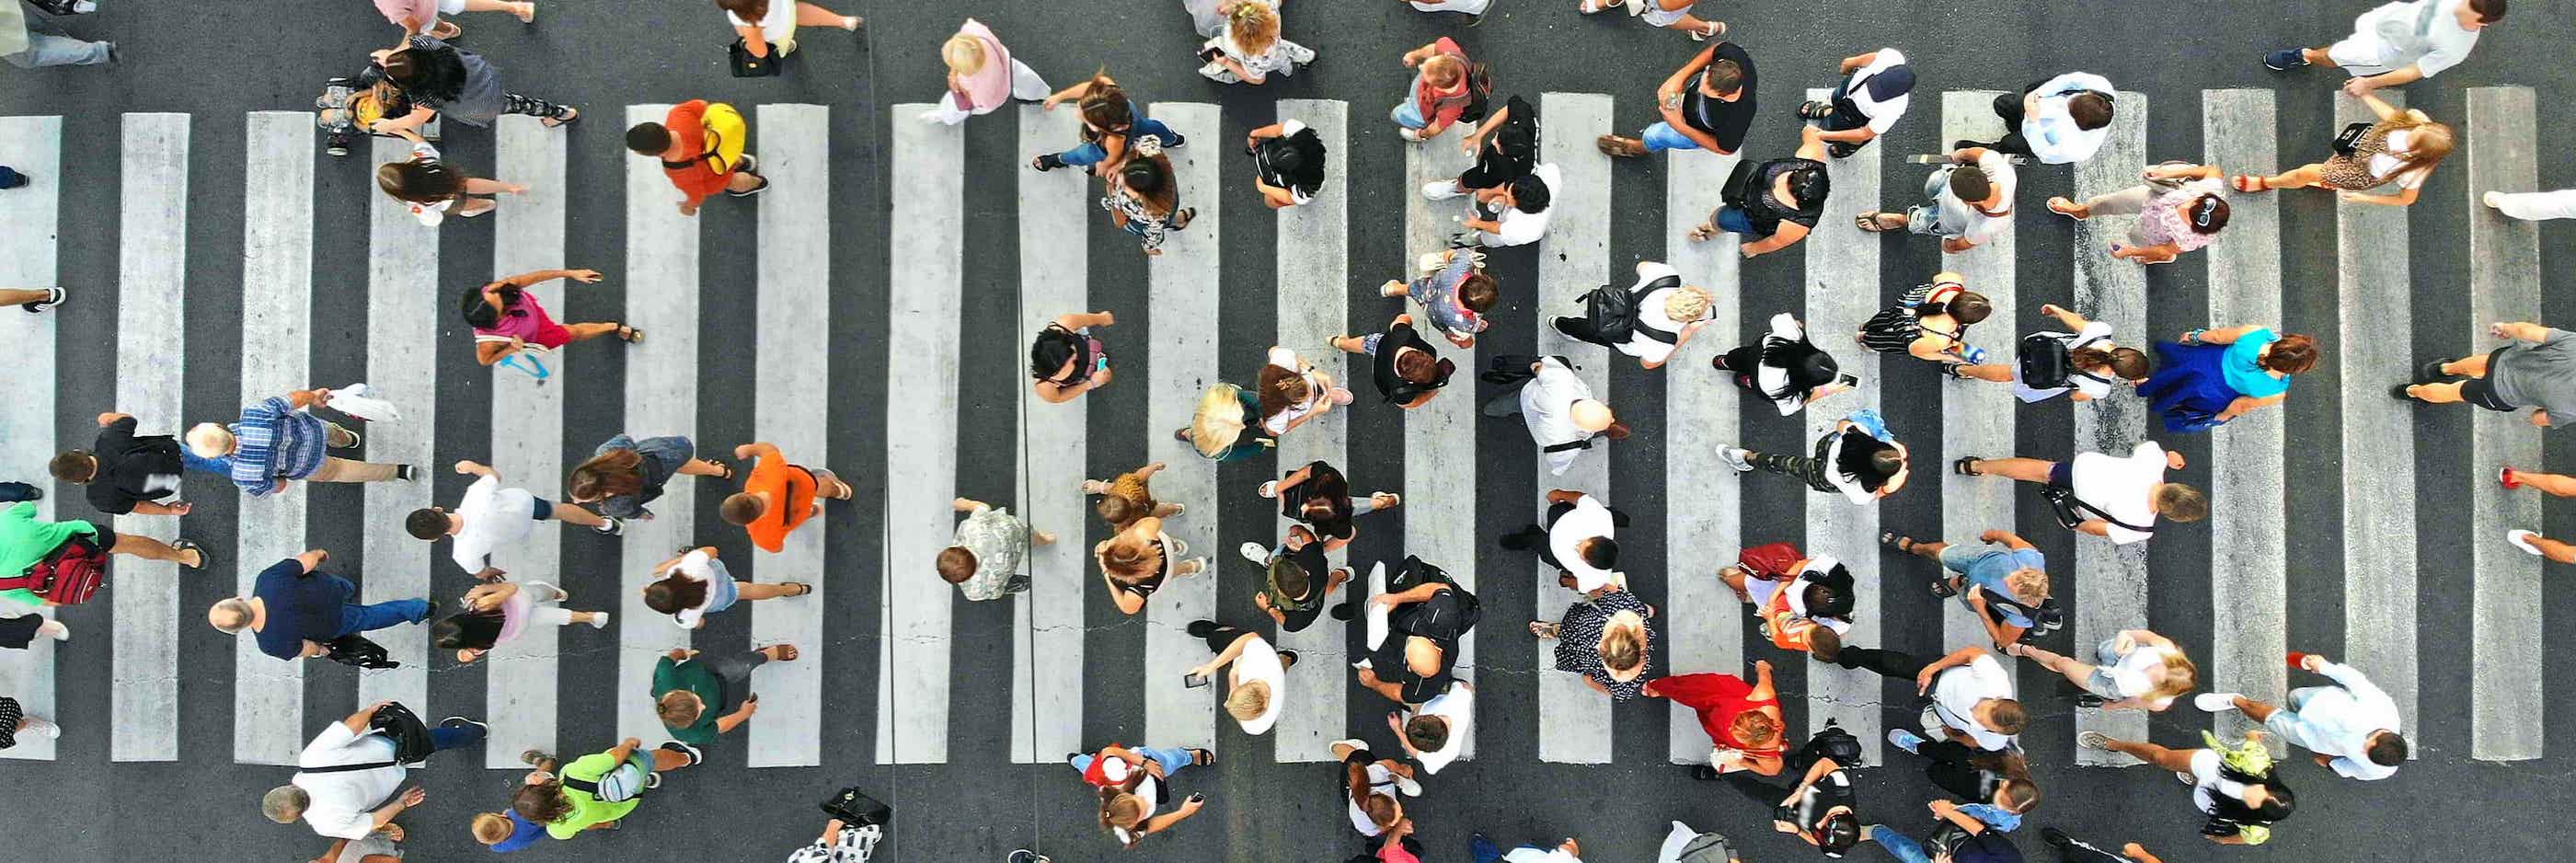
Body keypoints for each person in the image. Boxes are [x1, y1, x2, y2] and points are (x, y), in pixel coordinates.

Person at [261, 702, 484, 839]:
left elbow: (375, 821)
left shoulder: (326, 824)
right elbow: (349, 727)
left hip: (392, 776)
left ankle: (472, 733)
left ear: (297, 816)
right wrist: (371, 710)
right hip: (384, 745)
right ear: (286, 787)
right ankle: (476, 731)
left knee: (429, 745)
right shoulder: (311, 760)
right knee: (432, 739)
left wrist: (402, 802)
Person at [2196, 651, 2407, 780]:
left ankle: (2236, 701)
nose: (2361, 748)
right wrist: (2324, 666)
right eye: (2368, 743)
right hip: (2321, 702)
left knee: (2271, 719)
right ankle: (2254, 704)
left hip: (2309, 736)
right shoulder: (2382, 709)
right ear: (2384, 732)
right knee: (2294, 696)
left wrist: (2327, 761)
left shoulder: (2379, 769)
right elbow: (2356, 681)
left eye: (2365, 752)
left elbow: (2343, 767)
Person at [412, 460, 621, 581]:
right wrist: (472, 466)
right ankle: (607, 524)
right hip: (524, 505)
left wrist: (493, 572)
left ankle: (606, 524)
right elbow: (493, 475)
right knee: (559, 510)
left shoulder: (462, 554)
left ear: (435, 539)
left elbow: (481, 572)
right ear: (437, 509)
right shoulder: (474, 494)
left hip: (514, 531)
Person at [1955, 443, 2204, 545]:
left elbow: (2146, 448)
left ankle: (1976, 466)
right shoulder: (2140, 528)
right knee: (2046, 479)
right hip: (2084, 498)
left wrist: (2168, 459)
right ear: (2174, 515)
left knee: (2041, 470)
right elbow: (2094, 527)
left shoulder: (2153, 464)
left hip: (2085, 470)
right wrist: (2074, 524)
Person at [2229, 92, 2449, 206]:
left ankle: (2267, 183)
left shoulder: (2414, 171)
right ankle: (2327, 181)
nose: (2409, 132)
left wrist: (2366, 199)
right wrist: (2365, 95)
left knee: (2304, 173)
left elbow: (2406, 199)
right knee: (2326, 168)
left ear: (2419, 152)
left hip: (2358, 174)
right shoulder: (2418, 122)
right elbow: (2393, 118)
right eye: (2417, 129)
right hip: (2357, 148)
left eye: (2414, 137)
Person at [210, 549, 431, 663]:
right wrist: (318, 554)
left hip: (333, 623)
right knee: (343, 587)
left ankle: (417, 609)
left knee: (370, 616)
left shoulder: (270, 644)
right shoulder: (268, 579)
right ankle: (350, 588)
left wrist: (323, 651)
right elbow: (306, 562)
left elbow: (309, 648)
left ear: (238, 630)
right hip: (328, 589)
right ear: (238, 599)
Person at [2078, 729, 2293, 846]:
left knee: (2200, 785)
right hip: (2212, 767)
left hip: (2208, 799)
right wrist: (2253, 736)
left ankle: (2194, 779)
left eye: (2259, 798)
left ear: (2254, 811)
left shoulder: (2257, 828)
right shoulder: (2259, 768)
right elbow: (2253, 743)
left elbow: (2245, 838)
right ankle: (2114, 744)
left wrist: (2222, 839)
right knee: (2159, 757)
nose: (2258, 789)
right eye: (2265, 788)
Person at [190, 388, 414, 496]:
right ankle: (349, 440)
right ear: (219, 426)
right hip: (313, 432)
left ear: (214, 457)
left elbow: (279, 486)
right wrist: (314, 395)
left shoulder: (242, 476)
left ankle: (400, 471)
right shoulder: (254, 414)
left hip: (310, 466)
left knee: (346, 471)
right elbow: (292, 400)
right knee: (334, 433)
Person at [365, 21, 578, 129]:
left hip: (479, 104)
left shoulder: (421, 96)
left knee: (516, 105)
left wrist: (388, 125)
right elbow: (412, 41)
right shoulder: (426, 46)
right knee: (515, 102)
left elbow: (418, 118)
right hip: (479, 74)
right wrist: (392, 57)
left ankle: (562, 114)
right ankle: (559, 112)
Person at [0, 501, 203, 612]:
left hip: (75, 575)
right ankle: (186, 557)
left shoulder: (3, 585)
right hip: (86, 540)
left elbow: (51, 602)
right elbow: (29, 507)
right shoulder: (6, 520)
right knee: (130, 544)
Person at [2263, 0, 2501, 94]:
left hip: (2383, 50)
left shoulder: (2455, 49)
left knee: (2336, 54)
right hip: (2390, 17)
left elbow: (2414, 71)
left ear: (2483, 21)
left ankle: (2306, 55)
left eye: (2466, 7)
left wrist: (2370, 83)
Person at [1830, 644, 2026, 753]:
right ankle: (1847, 656)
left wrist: (1955, 735)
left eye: (1983, 723)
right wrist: (1933, 668)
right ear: (1998, 698)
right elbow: (1972, 653)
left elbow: (1975, 742)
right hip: (1939, 674)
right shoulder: (1994, 680)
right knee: (1891, 664)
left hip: (1939, 706)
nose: (1976, 714)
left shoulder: (1995, 740)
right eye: (1984, 709)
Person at [1711, 724, 1863, 857]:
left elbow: (1816, 840)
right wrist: (1799, 792)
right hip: (1811, 782)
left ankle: (1724, 774)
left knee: (1758, 792)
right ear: (1841, 814)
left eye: (1820, 831)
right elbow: (1824, 763)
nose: (1817, 826)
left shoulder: (1832, 840)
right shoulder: (1842, 790)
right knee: (1809, 754)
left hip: (1798, 806)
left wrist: (1796, 830)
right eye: (1823, 823)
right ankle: (1802, 757)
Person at [1884, 530, 2052, 650]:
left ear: (2020, 597)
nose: (2007, 577)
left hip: (1979, 595)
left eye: (2011, 584)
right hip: (1978, 560)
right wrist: (1993, 535)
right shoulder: (2030, 560)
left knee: (1963, 594)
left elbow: (2003, 641)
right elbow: (2011, 539)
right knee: (1940, 553)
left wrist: (1981, 609)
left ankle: (1957, 583)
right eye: (2014, 575)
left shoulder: (2021, 616)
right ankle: (1917, 548)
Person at [1950, 305, 2149, 403]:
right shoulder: (2100, 388)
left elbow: (2076, 322)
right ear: (2120, 375)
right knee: (2008, 375)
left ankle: (1961, 362)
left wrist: (2058, 311)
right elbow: (2075, 396)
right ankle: (1963, 370)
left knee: (2010, 370)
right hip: (2043, 374)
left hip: (2044, 349)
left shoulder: (2101, 332)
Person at [2138, 324, 2317, 432]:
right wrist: (2222, 416)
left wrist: (2194, 335)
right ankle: (2161, 400)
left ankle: (2149, 382)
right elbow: (2241, 405)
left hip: (2204, 361)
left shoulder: (2256, 333)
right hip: (2211, 393)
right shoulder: (2276, 391)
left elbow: (2218, 337)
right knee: (2185, 391)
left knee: (2179, 369)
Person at [515, 737, 703, 839]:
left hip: (623, 803)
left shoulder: (557, 830)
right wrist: (628, 744)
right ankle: (687, 757)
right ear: (544, 787)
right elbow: (613, 758)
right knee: (651, 759)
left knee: (634, 782)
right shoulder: (572, 773)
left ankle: (644, 782)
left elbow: (587, 826)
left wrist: (606, 824)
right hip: (626, 770)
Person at [1597, 39, 1754, 157]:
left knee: (1654, 134)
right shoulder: (1733, 58)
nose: (1699, 88)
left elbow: (1725, 149)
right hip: (1689, 110)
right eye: (1705, 75)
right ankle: (1672, 116)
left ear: (1724, 96)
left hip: (1694, 129)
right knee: (1670, 105)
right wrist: (1679, 78)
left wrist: (1680, 126)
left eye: (1705, 92)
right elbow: (1716, 50)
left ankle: (1637, 148)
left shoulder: (1737, 118)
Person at [2046, 163, 2230, 264]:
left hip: (2156, 231)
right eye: (2192, 202)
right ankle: (2081, 211)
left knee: (2135, 237)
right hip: (2152, 199)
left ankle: (2163, 259)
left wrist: (2130, 251)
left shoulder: (2189, 238)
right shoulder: (2210, 190)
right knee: (2109, 202)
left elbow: (2165, 247)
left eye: (2188, 212)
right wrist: (2166, 174)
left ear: (2194, 226)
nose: (2184, 205)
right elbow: (2212, 170)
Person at [2398, 320, 2576, 425]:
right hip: (2499, 395)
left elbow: (2525, 331)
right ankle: (2412, 391)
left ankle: (2445, 369)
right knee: (2455, 392)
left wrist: (2506, 327)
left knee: (2481, 363)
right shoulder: (2572, 410)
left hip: (2503, 361)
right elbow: (2537, 419)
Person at [1354, 558, 1478, 707]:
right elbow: (1440, 588)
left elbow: (1399, 693)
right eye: (1412, 640)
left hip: (1417, 616)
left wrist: (1374, 683)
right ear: (1436, 648)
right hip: (1450, 608)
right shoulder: (1441, 616)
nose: (1409, 638)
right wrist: (1397, 598)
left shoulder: (1424, 690)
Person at [52, 411, 225, 517]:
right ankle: (233, 463)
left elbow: (139, 506)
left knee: (177, 472)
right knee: (205, 459)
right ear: (77, 452)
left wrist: (168, 510)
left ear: (77, 481)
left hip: (168, 482)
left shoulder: (98, 499)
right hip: (170, 454)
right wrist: (106, 418)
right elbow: (129, 420)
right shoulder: (107, 440)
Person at [1551, 260, 1717, 370]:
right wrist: (1687, 333)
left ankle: (1560, 324)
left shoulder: (1667, 277)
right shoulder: (1665, 342)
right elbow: (1648, 364)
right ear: (1688, 318)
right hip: (1620, 336)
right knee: (1596, 333)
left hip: (1615, 303)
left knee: (1587, 325)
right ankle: (1564, 327)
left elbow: (1641, 266)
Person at [1696, 126, 1831, 258]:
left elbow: (1776, 242)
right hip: (1750, 183)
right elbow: (1810, 132)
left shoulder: (1799, 223)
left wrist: (1753, 248)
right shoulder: (1811, 159)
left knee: (1720, 218)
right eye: (1791, 176)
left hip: (1751, 217)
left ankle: (1711, 230)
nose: (1780, 183)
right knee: (1720, 216)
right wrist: (1814, 132)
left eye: (1789, 189)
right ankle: (1711, 228)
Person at [1716, 414, 1911, 505]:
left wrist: (1888, 443)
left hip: (1827, 448)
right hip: (1823, 476)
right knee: (1788, 466)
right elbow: (1876, 494)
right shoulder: (1860, 492)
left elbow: (1843, 424)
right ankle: (1745, 458)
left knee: (1869, 419)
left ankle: (1745, 457)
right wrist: (1888, 489)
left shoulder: (1857, 436)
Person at [462, 268, 637, 366]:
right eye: (501, 304)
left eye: (495, 292)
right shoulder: (488, 342)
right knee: (572, 332)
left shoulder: (495, 290)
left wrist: (571, 273)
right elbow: (485, 361)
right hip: (537, 335)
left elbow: (532, 277)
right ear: (497, 319)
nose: (502, 292)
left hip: (531, 312)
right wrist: (511, 349)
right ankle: (612, 327)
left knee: (570, 331)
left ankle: (613, 327)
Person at [1484, 355, 1623, 476]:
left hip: (1525, 398)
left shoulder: (1562, 382)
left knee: (1496, 408)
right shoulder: (1563, 438)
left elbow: (1538, 367)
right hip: (1541, 425)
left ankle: (1490, 410)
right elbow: (1555, 457)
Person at [1859, 146, 2015, 253]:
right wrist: (1960, 155)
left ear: (1967, 202)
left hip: (1947, 220)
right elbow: (1981, 154)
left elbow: (1962, 244)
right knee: (1934, 182)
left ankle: (1901, 220)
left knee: (1921, 221)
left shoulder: (1987, 226)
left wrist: (1949, 245)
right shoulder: (2001, 172)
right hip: (1946, 197)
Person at [627, 100, 768, 216]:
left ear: (652, 154)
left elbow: (697, 194)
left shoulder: (677, 172)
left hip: (717, 175)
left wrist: (688, 207)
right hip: (719, 146)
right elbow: (702, 105)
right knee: (728, 158)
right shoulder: (678, 115)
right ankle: (743, 162)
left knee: (735, 181)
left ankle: (757, 182)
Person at [1647, 662, 1787, 777]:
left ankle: (1661, 688)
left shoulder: (1765, 698)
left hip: (1726, 702)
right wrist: (1763, 668)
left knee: (1696, 689)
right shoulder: (1765, 752)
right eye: (1736, 724)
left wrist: (1762, 667)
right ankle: (1662, 688)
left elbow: (1773, 771)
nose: (1731, 728)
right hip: (1726, 701)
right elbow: (1764, 678)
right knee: (1697, 687)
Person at [1032, 72, 1184, 175]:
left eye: (1088, 120)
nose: (1078, 114)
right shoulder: (1107, 89)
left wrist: (1104, 166)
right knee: (1149, 126)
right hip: (1131, 113)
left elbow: (1114, 157)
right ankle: (1171, 139)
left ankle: (1059, 160)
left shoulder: (1113, 140)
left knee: (1081, 155)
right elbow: (1088, 88)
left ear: (1110, 128)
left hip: (1110, 143)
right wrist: (1060, 97)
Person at [1720, 545, 1856, 658]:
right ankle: (1746, 591)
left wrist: (1773, 602)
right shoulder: (1836, 626)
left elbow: (1802, 565)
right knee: (1752, 585)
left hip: (1780, 607)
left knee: (1743, 580)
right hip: (1780, 605)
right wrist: (1774, 597)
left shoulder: (1797, 601)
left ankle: (1732, 580)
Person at [2010, 629, 2195, 711]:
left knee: (2064, 664)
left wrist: (2112, 706)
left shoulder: (2159, 702)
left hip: (2111, 682)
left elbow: (2133, 701)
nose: (2149, 668)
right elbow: (2142, 635)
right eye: (2158, 664)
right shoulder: (2165, 648)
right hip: (2120, 654)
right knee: (2103, 651)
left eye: (2154, 676)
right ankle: (2103, 653)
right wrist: (2126, 638)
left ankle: (2026, 650)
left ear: (2160, 688)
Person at [654, 645, 799, 746]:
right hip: (718, 700)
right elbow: (721, 726)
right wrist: (743, 714)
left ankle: (765, 654)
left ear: (681, 691)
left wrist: (682, 653)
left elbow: (672, 657)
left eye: (698, 702)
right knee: (739, 669)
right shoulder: (690, 735)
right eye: (699, 712)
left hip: (706, 669)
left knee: (740, 667)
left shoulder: (666, 675)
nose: (704, 706)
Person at [434, 579, 606, 664]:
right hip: (521, 601)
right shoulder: (483, 606)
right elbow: (510, 588)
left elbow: (463, 657)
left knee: (553, 617)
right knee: (538, 591)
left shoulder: (478, 645)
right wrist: (484, 589)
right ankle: (558, 594)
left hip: (519, 625)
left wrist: (464, 652)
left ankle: (591, 617)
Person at [1071, 743, 1211, 848]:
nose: (1145, 801)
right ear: (1134, 824)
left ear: (1125, 795)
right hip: (1149, 777)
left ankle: (1189, 756)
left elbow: (1109, 751)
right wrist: (1182, 813)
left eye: (1138, 799)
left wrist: (1145, 763)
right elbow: (1149, 826)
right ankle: (1077, 760)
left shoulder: (1116, 773)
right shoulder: (1127, 832)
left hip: (1144, 763)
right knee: (1091, 770)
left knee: (1169, 763)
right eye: (1143, 811)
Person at [1956, 73, 2114, 165]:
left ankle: (1983, 153)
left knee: (2008, 144)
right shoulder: (2101, 86)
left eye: (2069, 107)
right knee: (2002, 104)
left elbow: (2044, 152)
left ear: (2078, 123)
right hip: (2035, 103)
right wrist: (2038, 94)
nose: (2067, 101)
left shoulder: (2078, 149)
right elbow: (2066, 81)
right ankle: (2015, 124)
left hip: (2036, 134)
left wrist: (2032, 121)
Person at [1533, 583, 1656, 701]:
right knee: (1571, 631)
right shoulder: (1628, 683)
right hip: (1582, 641)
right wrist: (1590, 681)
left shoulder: (1624, 608)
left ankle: (1558, 630)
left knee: (1569, 630)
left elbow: (1605, 588)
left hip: (1580, 629)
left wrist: (1589, 588)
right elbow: (1606, 688)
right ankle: (1559, 630)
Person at [724, 442, 854, 553]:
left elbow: (777, 548)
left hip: (796, 513)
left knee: (800, 511)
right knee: (821, 485)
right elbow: (769, 449)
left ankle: (811, 510)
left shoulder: (761, 535)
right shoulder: (764, 477)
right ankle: (842, 491)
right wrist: (748, 449)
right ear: (746, 494)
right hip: (805, 484)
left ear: (749, 522)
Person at [1717, 312, 1854, 416]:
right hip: (1762, 383)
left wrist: (1797, 326)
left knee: (1741, 356)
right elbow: (1787, 410)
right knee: (1754, 381)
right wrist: (1826, 391)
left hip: (1759, 353)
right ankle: (1746, 381)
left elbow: (1777, 319)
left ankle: (1724, 362)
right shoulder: (1792, 391)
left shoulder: (1794, 337)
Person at [567, 433, 730, 521]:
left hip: (657, 475)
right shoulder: (605, 452)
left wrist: (642, 514)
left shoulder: (612, 505)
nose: (576, 502)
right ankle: (718, 471)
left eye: (582, 500)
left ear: (599, 493)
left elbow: (632, 510)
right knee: (679, 461)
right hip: (658, 452)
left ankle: (716, 471)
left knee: (679, 466)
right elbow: (625, 440)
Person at [642, 547, 811, 628]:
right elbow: (712, 551)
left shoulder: (684, 617)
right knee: (698, 557)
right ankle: (791, 589)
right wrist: (677, 562)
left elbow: (700, 623)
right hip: (715, 574)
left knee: (748, 592)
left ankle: (790, 590)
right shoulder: (684, 568)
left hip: (721, 598)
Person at [375, 134, 527, 224]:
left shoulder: (415, 204)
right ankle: (510, 188)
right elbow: (420, 142)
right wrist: (400, 130)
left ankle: (487, 204)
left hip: (449, 202)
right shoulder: (421, 160)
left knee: (472, 206)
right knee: (473, 184)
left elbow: (433, 219)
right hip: (450, 181)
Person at [1500, 489, 1627, 595]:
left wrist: (1566, 582)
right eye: (1583, 543)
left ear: (1590, 564)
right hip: (1560, 517)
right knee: (1556, 510)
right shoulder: (1601, 517)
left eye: (1580, 552)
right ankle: (1615, 515)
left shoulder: (1596, 578)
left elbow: (1579, 585)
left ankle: (1527, 538)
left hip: (1553, 551)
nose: (1576, 546)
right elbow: (1581, 498)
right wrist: (1559, 494)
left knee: (1538, 545)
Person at [921, 18, 1044, 125]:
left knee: (955, 105)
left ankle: (945, 116)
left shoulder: (973, 84)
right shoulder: (976, 34)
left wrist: (958, 89)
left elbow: (983, 104)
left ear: (968, 71)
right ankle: (1040, 93)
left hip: (996, 93)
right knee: (1023, 77)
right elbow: (969, 29)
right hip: (1004, 62)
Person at [1185, 620, 1294, 736]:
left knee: (1214, 641)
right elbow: (1250, 638)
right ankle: (1285, 657)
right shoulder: (1265, 660)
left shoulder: (1255, 727)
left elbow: (1241, 716)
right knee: (1219, 639)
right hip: (1257, 658)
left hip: (1254, 666)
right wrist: (1211, 667)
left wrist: (1233, 678)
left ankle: (1287, 658)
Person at [1858, 276, 1992, 369]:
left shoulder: (1952, 285)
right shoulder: (1941, 339)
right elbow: (1916, 350)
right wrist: (1954, 357)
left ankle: (1867, 326)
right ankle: (1865, 339)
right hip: (1911, 331)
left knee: (1888, 317)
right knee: (1891, 342)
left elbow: (1938, 277)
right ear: (1966, 321)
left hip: (1908, 309)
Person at [1260, 461, 1397, 552]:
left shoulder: (1325, 481)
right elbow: (1306, 472)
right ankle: (1384, 501)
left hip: (1338, 511)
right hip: (1339, 509)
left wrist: (1280, 489)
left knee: (1351, 506)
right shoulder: (1328, 479)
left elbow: (1304, 473)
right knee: (1350, 505)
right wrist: (1280, 488)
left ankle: (1383, 502)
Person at [1424, 94, 1538, 201]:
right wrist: (1478, 135)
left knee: (1475, 178)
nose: (1493, 141)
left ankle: (1458, 187)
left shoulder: (1522, 170)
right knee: (1488, 157)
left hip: (1497, 172)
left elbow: (1512, 188)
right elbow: (1509, 109)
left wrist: (1491, 192)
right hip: (1498, 160)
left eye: (1498, 145)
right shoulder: (1524, 117)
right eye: (1498, 136)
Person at [1802, 49, 1914, 158]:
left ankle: (1850, 146)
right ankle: (1829, 112)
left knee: (1834, 128)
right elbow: (1854, 61)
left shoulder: (1894, 109)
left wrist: (1825, 135)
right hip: (1845, 92)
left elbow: (1864, 134)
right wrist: (1848, 64)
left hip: (1855, 116)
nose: (1870, 91)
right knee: (1835, 99)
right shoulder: (1891, 57)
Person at [1236, 525, 1348, 631]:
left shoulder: (1296, 622)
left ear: (1280, 592)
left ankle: (1267, 560)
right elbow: (1310, 541)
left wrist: (1268, 608)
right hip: (1320, 578)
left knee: (1277, 555)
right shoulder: (1313, 559)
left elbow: (1287, 623)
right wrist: (1300, 530)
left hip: (1318, 582)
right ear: (1305, 573)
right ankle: (1342, 574)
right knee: (1325, 588)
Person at [1380, 248, 1497, 349]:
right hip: (1436, 317)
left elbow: (1449, 255)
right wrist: (1466, 339)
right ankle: (1477, 325)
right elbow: (1462, 341)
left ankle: (1392, 289)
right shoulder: (1465, 323)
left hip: (1428, 290)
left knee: (1413, 289)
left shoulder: (1461, 266)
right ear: (1477, 310)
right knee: (1460, 332)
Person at [939, 496, 1052, 601]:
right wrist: (965, 504)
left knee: (997, 587)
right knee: (1028, 536)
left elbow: (994, 595)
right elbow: (983, 508)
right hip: (1013, 532)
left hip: (1009, 562)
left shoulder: (973, 591)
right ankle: (1044, 539)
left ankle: (1016, 583)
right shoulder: (972, 530)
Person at [1335, 313, 1455, 408]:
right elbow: (1407, 404)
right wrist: (1431, 393)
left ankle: (1338, 342)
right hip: (1379, 375)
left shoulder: (1405, 335)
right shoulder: (1401, 390)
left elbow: (1402, 319)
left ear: (1419, 353)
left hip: (1382, 345)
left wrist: (1406, 321)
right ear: (1409, 380)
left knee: (1364, 343)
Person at [1096, 515, 1206, 616]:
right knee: (1168, 560)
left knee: (1169, 573)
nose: (1154, 568)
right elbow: (1154, 521)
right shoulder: (1144, 533)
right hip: (1163, 545)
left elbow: (1128, 608)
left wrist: (1106, 573)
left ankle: (1189, 567)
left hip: (1162, 577)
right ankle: (1176, 547)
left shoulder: (1139, 590)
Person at [1862, 800, 2025, 863]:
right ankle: (1875, 832)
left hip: (1942, 858)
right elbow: (1978, 830)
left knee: (1906, 852)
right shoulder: (2011, 859)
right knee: (1906, 852)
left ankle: (1876, 832)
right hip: (1958, 844)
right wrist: (1948, 812)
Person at [1102, 144, 1195, 255]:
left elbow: (1153, 233)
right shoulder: (1154, 165)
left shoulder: (1151, 213)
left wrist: (1149, 247)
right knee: (1163, 219)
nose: (1120, 181)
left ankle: (1175, 220)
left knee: (1137, 227)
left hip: (1157, 213)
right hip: (1167, 202)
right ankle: (1176, 219)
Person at [1193, 0, 1314, 85]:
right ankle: (1308, 57)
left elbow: (1258, 79)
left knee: (1277, 61)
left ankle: (1286, 67)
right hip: (1276, 42)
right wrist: (1238, 7)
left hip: (1268, 59)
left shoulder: (1251, 57)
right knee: (1289, 50)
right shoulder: (1268, 7)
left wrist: (1226, 62)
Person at [1390, 38, 1479, 141]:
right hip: (1423, 95)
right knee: (1415, 88)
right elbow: (1433, 49)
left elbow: (1435, 128)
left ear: (1438, 87)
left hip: (1422, 112)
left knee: (1397, 114)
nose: (1422, 68)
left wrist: (1420, 135)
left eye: (1426, 75)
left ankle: (1414, 130)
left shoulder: (1451, 108)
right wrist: (1414, 56)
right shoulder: (1449, 52)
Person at [1331, 738, 1422, 839]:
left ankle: (1339, 748)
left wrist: (1403, 770)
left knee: (1357, 757)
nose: (1402, 813)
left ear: (1386, 796)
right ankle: (1338, 748)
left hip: (1354, 775)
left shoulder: (1376, 774)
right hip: (1355, 789)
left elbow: (1396, 766)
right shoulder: (1362, 821)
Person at [1254, 347, 1352, 439]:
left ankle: (1325, 395)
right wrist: (1311, 413)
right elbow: (1272, 432)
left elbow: (1273, 350)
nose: (1311, 394)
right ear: (1289, 404)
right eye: (1305, 398)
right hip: (1274, 414)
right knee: (1266, 420)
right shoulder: (1278, 416)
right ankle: (1260, 419)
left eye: (1307, 388)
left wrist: (1313, 372)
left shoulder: (1282, 364)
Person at [1455, 164, 1561, 247]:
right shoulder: (1551, 172)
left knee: (1491, 238)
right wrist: (1491, 192)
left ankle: (1478, 239)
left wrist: (1477, 223)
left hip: (1511, 231)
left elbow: (1498, 228)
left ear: (1519, 208)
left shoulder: (1524, 229)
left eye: (1508, 198)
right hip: (1530, 215)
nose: (1505, 193)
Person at [716, 0, 859, 60]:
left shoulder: (749, 25)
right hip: (785, 9)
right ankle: (844, 21)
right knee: (802, 12)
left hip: (780, 32)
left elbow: (760, 52)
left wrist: (746, 44)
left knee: (782, 46)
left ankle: (789, 46)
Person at [1386, 679, 1472, 775]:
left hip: (1427, 700)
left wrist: (1397, 729)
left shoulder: (1457, 702)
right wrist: (1397, 729)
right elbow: (1465, 686)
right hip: (1435, 699)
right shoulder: (1458, 702)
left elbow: (1416, 753)